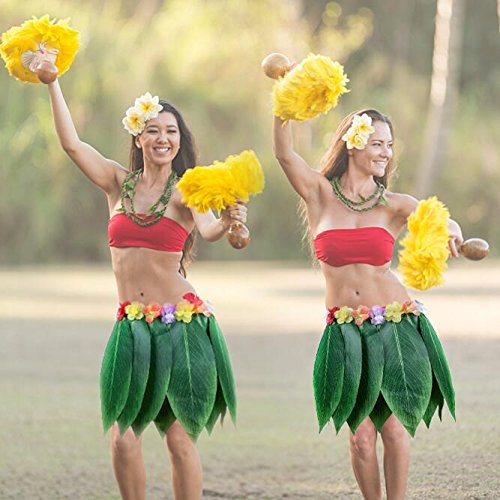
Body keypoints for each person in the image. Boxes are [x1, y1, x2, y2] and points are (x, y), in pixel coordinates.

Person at [46, 80, 246, 500]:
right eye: (153, 129)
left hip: (181, 326)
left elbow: (208, 230)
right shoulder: (118, 183)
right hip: (131, 326)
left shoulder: (187, 191)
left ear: (179, 141)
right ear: (138, 136)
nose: (163, 138)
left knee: (177, 440)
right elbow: (71, 144)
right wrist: (54, 82)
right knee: (123, 440)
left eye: (171, 131)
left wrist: (228, 220)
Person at [272, 108, 462, 500]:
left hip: (395, 326)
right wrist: (283, 109)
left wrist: (453, 233)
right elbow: (284, 154)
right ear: (353, 143)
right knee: (360, 437)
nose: (386, 153)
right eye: (377, 143)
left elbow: (440, 218)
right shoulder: (319, 194)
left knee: (393, 428)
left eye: (390, 146)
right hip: (345, 331)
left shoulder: (393, 203)